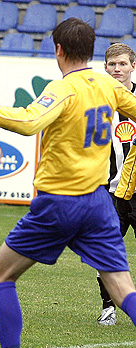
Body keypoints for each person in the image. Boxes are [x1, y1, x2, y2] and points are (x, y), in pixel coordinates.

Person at [0, 18, 136, 348]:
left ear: (58, 50)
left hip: (59, 203)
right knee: (122, 288)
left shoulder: (63, 90)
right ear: (93, 50)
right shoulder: (109, 86)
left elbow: (29, 121)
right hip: (99, 203)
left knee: (0, 276)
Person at [93, 43, 136, 326]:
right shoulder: (98, 101)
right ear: (105, 68)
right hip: (109, 193)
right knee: (104, 250)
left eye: (122, 64)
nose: (117, 69)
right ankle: (108, 307)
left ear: (133, 66)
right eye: (112, 65)